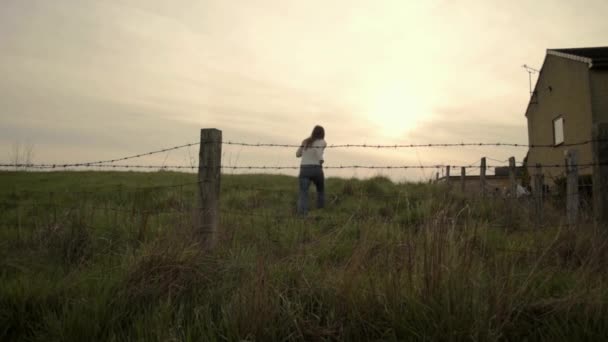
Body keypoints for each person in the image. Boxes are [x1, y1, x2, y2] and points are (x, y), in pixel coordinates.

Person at [296, 125, 326, 215]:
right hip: (316, 168)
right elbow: (318, 152)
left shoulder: (305, 141)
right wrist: (321, 160)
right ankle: (320, 210)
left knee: (303, 193)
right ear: (323, 133)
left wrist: (304, 147)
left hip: (304, 169)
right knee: (320, 190)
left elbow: (298, 154)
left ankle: (302, 213)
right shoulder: (322, 142)